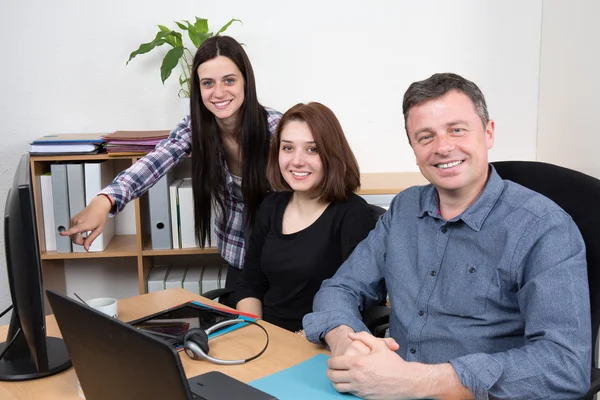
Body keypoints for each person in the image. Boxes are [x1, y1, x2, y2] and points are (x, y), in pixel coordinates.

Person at [303, 73, 592, 399]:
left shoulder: (544, 227)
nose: (443, 147)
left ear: (488, 132)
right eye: (425, 137)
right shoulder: (404, 208)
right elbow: (341, 288)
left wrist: (417, 381)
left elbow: (566, 365)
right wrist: (346, 341)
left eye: (457, 129)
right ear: (413, 147)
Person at [61, 36, 282, 288]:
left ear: (246, 82)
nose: (219, 92)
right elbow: (154, 162)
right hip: (238, 257)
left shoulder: (277, 129)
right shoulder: (196, 128)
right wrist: (104, 201)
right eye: (208, 83)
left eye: (229, 80)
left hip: (284, 258)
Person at [234, 102, 378, 332]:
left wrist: (307, 337)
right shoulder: (271, 206)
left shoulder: (352, 215)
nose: (297, 161)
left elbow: (358, 299)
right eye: (288, 148)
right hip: (266, 337)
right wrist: (255, 332)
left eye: (312, 149)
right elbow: (251, 282)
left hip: (321, 339)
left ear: (331, 154)